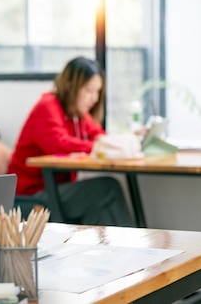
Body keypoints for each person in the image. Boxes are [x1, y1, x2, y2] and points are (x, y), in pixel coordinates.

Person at [7, 56, 135, 226]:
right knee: (107, 190)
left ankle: (110, 250)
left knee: (101, 202)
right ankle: (124, 250)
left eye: (97, 92)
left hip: (53, 190)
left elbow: (100, 137)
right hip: (30, 197)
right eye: (89, 90)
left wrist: (126, 141)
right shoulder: (47, 106)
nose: (95, 98)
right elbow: (60, 144)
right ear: (70, 86)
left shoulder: (78, 115)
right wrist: (102, 146)